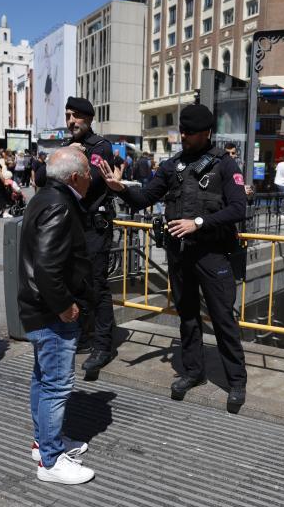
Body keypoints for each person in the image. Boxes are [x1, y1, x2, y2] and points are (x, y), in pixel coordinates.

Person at [106, 104, 248, 413]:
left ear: (207, 133)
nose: (183, 136)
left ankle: (236, 382)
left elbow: (239, 208)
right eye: (181, 131)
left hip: (212, 255)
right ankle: (193, 372)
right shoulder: (172, 167)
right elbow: (145, 197)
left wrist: (197, 223)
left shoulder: (225, 165)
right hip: (180, 255)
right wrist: (121, 189)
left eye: (190, 133)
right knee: (187, 317)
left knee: (223, 319)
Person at [17, 147, 95, 485]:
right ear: (76, 176)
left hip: (38, 309)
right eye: (90, 173)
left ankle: (43, 443)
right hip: (51, 313)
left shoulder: (45, 195)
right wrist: (65, 306)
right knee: (57, 384)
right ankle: (50, 460)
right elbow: (48, 267)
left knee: (43, 378)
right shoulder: (60, 206)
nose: (92, 178)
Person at [63, 97, 116, 371]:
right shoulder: (67, 147)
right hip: (72, 228)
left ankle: (103, 345)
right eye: (68, 116)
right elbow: (43, 175)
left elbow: (88, 181)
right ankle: (84, 335)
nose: (71, 121)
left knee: (97, 286)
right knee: (76, 285)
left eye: (76, 116)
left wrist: (70, 160)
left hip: (95, 227)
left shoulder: (100, 147)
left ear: (89, 119)